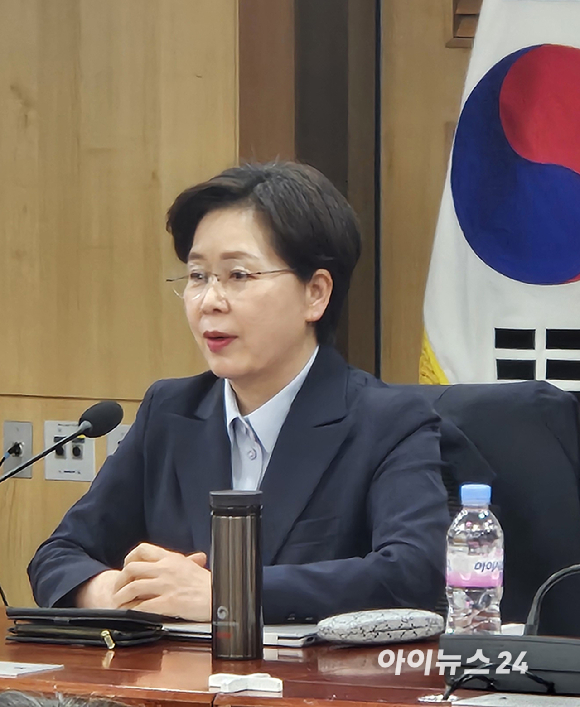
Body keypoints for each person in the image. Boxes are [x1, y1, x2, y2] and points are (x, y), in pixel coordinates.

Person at [29, 162, 449, 624]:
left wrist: (227, 593)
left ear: (315, 293)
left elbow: (413, 572)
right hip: (176, 670)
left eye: (239, 276)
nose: (210, 301)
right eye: (197, 276)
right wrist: (116, 590)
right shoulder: (169, 412)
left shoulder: (389, 422)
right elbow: (59, 555)